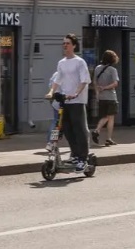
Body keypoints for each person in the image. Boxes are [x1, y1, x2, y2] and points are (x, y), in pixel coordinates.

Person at [46, 33, 91, 173]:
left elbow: (84, 80)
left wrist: (77, 93)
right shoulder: (61, 63)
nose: (65, 45)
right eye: (64, 43)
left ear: (74, 46)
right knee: (67, 129)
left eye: (68, 43)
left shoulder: (79, 62)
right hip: (65, 100)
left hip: (77, 100)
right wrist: (51, 92)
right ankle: (75, 155)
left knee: (79, 129)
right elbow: (57, 80)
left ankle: (83, 158)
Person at [91, 50, 119, 146]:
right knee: (110, 117)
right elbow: (115, 83)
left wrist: (97, 93)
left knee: (105, 116)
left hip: (101, 97)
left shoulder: (97, 68)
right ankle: (98, 131)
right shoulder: (113, 70)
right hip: (111, 97)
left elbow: (94, 82)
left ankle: (108, 138)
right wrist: (105, 87)